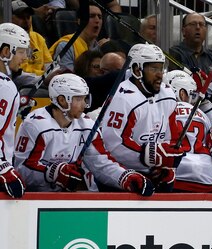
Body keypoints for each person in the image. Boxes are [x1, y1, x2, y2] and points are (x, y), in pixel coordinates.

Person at [13, 74, 153, 195]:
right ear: (62, 100)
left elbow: (101, 163)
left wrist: (124, 177)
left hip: (66, 197)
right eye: (78, 99)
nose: (84, 105)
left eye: (85, 99)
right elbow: (22, 169)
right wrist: (51, 173)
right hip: (31, 198)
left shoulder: (87, 126)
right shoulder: (35, 124)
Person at [101, 43, 187, 192]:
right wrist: (149, 156)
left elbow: (172, 138)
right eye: (153, 69)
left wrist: (166, 166)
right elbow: (113, 145)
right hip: (122, 172)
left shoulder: (167, 95)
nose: (160, 74)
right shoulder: (123, 99)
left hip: (151, 170)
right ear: (137, 70)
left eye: (161, 68)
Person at [0, 23, 28, 199]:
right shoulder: (4, 85)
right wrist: (3, 168)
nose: (25, 57)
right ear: (5, 51)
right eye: (21, 51)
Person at [48, 4, 103, 72]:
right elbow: (68, 77)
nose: (97, 20)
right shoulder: (66, 46)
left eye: (100, 17)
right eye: (91, 16)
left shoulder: (101, 47)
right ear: (80, 21)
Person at [168, 13, 212, 78]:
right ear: (183, 31)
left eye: (201, 24)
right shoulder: (174, 53)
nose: (198, 27)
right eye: (193, 24)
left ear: (206, 30)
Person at [11, 1, 51, 81]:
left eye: (28, 17)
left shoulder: (38, 38)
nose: (26, 21)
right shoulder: (7, 41)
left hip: (41, 82)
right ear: (10, 18)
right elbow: (18, 74)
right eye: (21, 17)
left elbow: (49, 65)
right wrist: (43, 77)